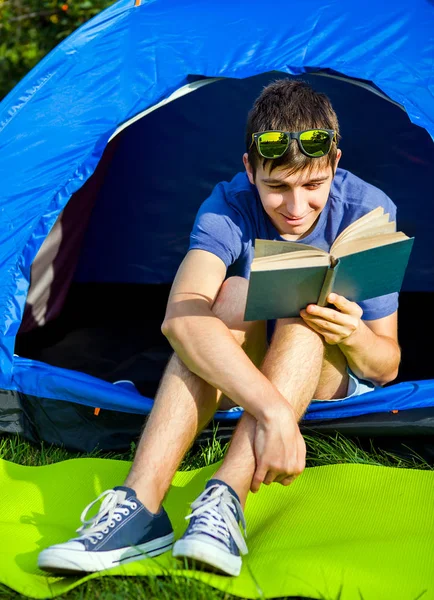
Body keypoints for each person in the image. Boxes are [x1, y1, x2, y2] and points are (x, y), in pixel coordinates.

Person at [38, 79, 401, 577]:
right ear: (250, 170)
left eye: (313, 186)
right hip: (246, 372)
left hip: (320, 369)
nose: (296, 209)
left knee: (303, 318)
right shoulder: (228, 204)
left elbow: (387, 366)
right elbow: (180, 316)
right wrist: (273, 413)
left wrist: (352, 334)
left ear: (334, 163)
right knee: (226, 295)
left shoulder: (369, 210)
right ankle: (139, 508)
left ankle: (224, 502)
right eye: (277, 188)